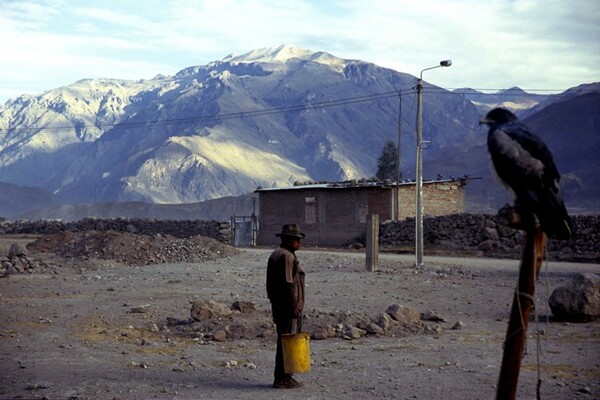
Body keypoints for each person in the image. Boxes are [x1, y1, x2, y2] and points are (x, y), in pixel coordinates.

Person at [266, 224, 306, 389]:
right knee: (288, 341)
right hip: (288, 308)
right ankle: (283, 378)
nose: (299, 243)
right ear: (288, 240)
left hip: (280, 306)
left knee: (285, 340)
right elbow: (289, 285)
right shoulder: (286, 257)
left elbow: (270, 286)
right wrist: (294, 307)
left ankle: (284, 376)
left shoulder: (277, 255)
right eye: (296, 239)